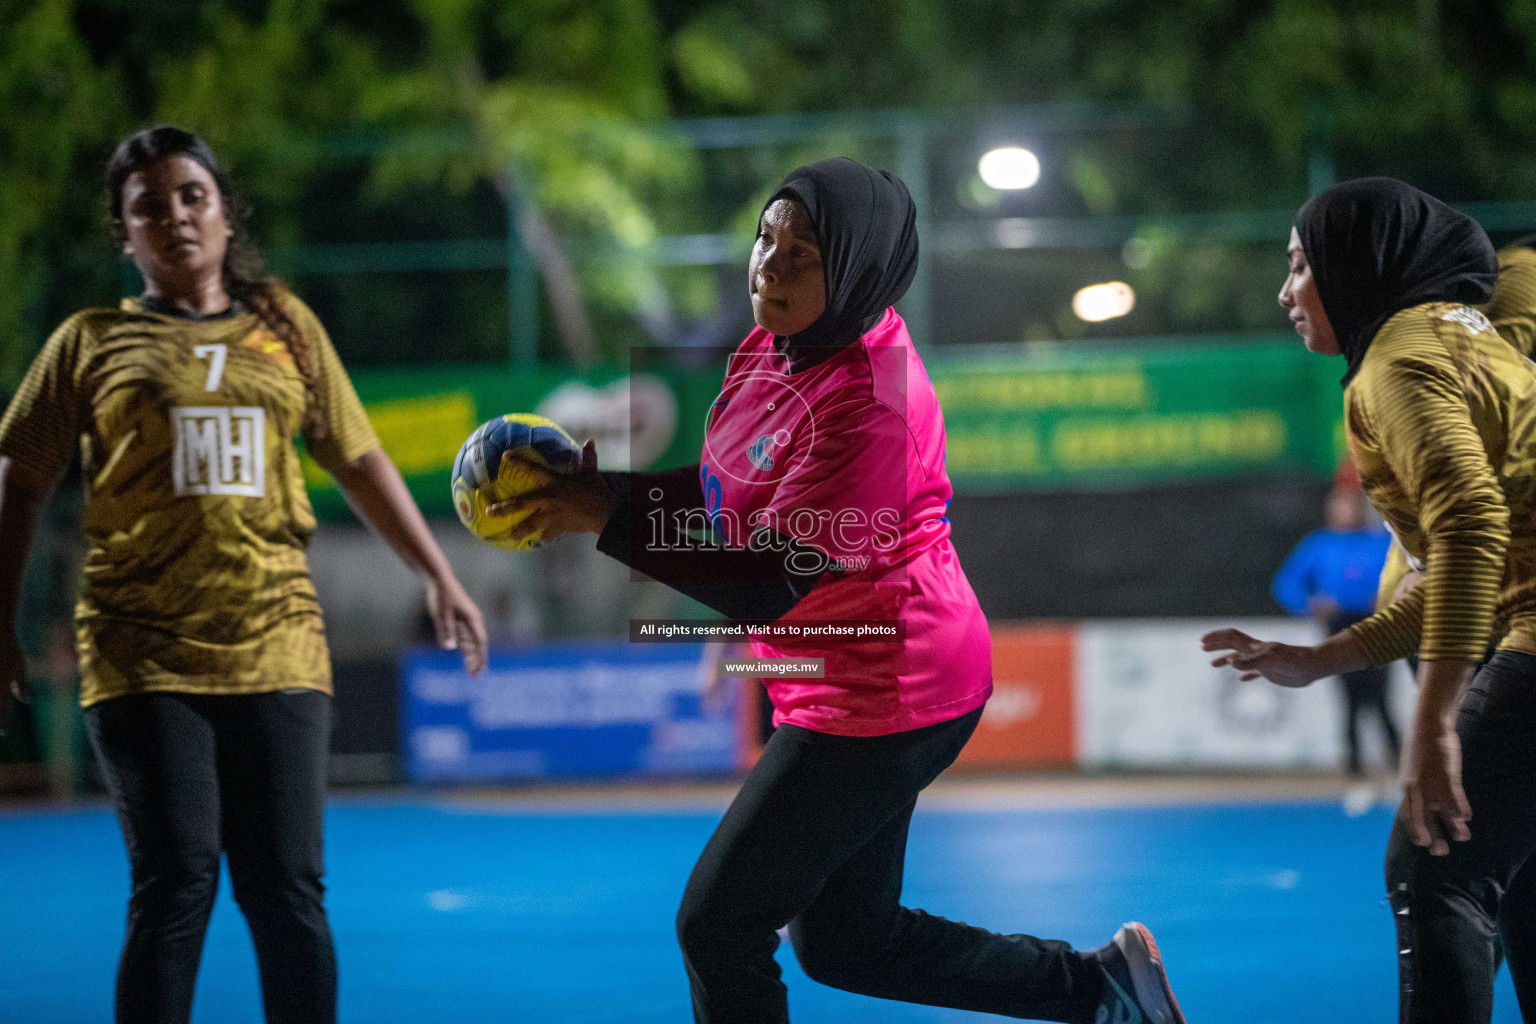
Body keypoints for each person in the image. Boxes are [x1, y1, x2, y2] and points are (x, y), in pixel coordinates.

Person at [489, 157, 1186, 1024]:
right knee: (848, 942)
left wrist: (604, 513)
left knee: (718, 925)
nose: (769, 265)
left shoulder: (869, 400)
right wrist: (605, 495)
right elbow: (723, 500)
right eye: (765, 238)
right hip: (837, 672)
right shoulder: (773, 347)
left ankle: (1094, 989)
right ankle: (1098, 988)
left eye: (802, 252)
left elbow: (770, 577)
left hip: (889, 686)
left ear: (854, 266)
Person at [0, 125, 488, 1024]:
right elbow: (20, 477)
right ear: (126, 233)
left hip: (278, 642)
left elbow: (358, 455)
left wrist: (436, 573)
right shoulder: (88, 340)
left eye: (193, 196)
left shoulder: (285, 326)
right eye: (149, 206)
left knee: (287, 891)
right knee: (177, 883)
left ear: (225, 213)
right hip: (140, 647)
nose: (175, 217)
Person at [1203, 176, 1536, 1024]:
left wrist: (1429, 731)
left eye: (1300, 266)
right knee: (1518, 879)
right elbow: (1472, 559)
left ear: (1360, 267)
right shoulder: (1473, 333)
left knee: (1435, 863)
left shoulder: (1395, 364)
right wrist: (1323, 659)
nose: (1285, 292)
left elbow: (1470, 527)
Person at [1271, 483, 1397, 777]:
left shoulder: (1381, 542)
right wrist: (1309, 604)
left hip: (1376, 623)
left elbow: (1406, 576)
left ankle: (1399, 760)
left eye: (1352, 506)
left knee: (1380, 696)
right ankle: (1354, 765)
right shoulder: (1320, 544)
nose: (1347, 512)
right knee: (1350, 696)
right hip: (1339, 623)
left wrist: (1387, 596)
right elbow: (1286, 584)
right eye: (1340, 506)